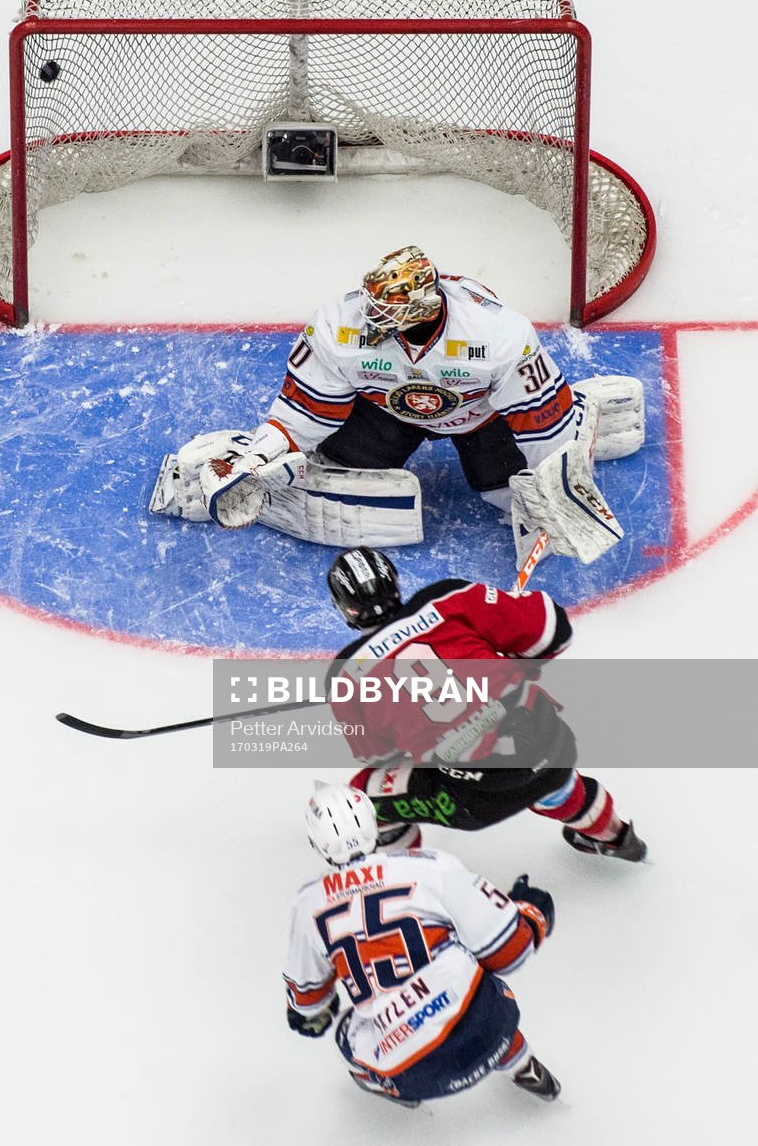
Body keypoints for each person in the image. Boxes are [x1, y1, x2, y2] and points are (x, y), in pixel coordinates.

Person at [206, 245, 579, 521]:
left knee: (505, 493)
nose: (368, 316)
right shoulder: (339, 324)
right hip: (386, 411)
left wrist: (555, 485)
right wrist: (260, 455)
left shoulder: (498, 333)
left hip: (480, 417)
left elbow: (541, 419)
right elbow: (305, 407)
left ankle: (581, 411)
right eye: (370, 304)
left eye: (383, 311)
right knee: (341, 466)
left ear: (422, 309)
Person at [326, 546, 647, 862]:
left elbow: (379, 755)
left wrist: (433, 729)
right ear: (394, 582)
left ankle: (409, 878)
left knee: (361, 798)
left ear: (346, 609)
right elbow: (555, 631)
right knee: (537, 758)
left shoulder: (345, 674)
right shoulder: (449, 597)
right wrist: (514, 663)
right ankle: (613, 834)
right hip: (552, 745)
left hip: (473, 801)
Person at [284, 783, 561, 1107]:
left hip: (412, 1073)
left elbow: (307, 1002)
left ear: (316, 843)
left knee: (347, 1033)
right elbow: (508, 953)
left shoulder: (307, 904)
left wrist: (313, 1015)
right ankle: (522, 1064)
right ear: (373, 822)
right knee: (461, 968)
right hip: (492, 1027)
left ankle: (403, 1097)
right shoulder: (430, 866)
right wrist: (531, 913)